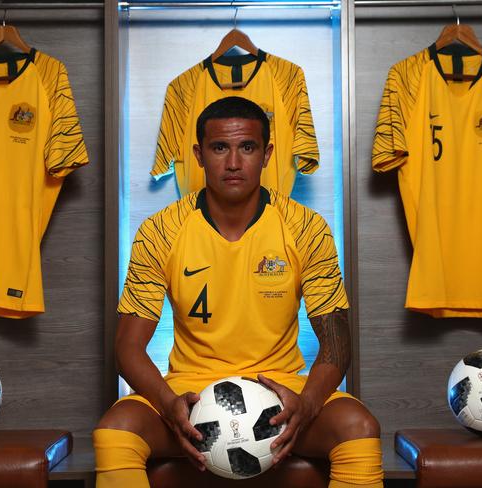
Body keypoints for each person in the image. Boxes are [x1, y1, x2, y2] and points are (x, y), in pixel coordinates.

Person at [93, 96, 384, 488]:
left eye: (247, 147)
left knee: (359, 426)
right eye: (219, 148)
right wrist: (167, 404)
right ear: (198, 154)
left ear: (267, 155)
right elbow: (127, 347)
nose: (233, 163)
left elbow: (336, 342)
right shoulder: (160, 230)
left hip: (281, 387)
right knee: (117, 427)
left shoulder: (306, 227)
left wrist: (308, 404)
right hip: (191, 390)